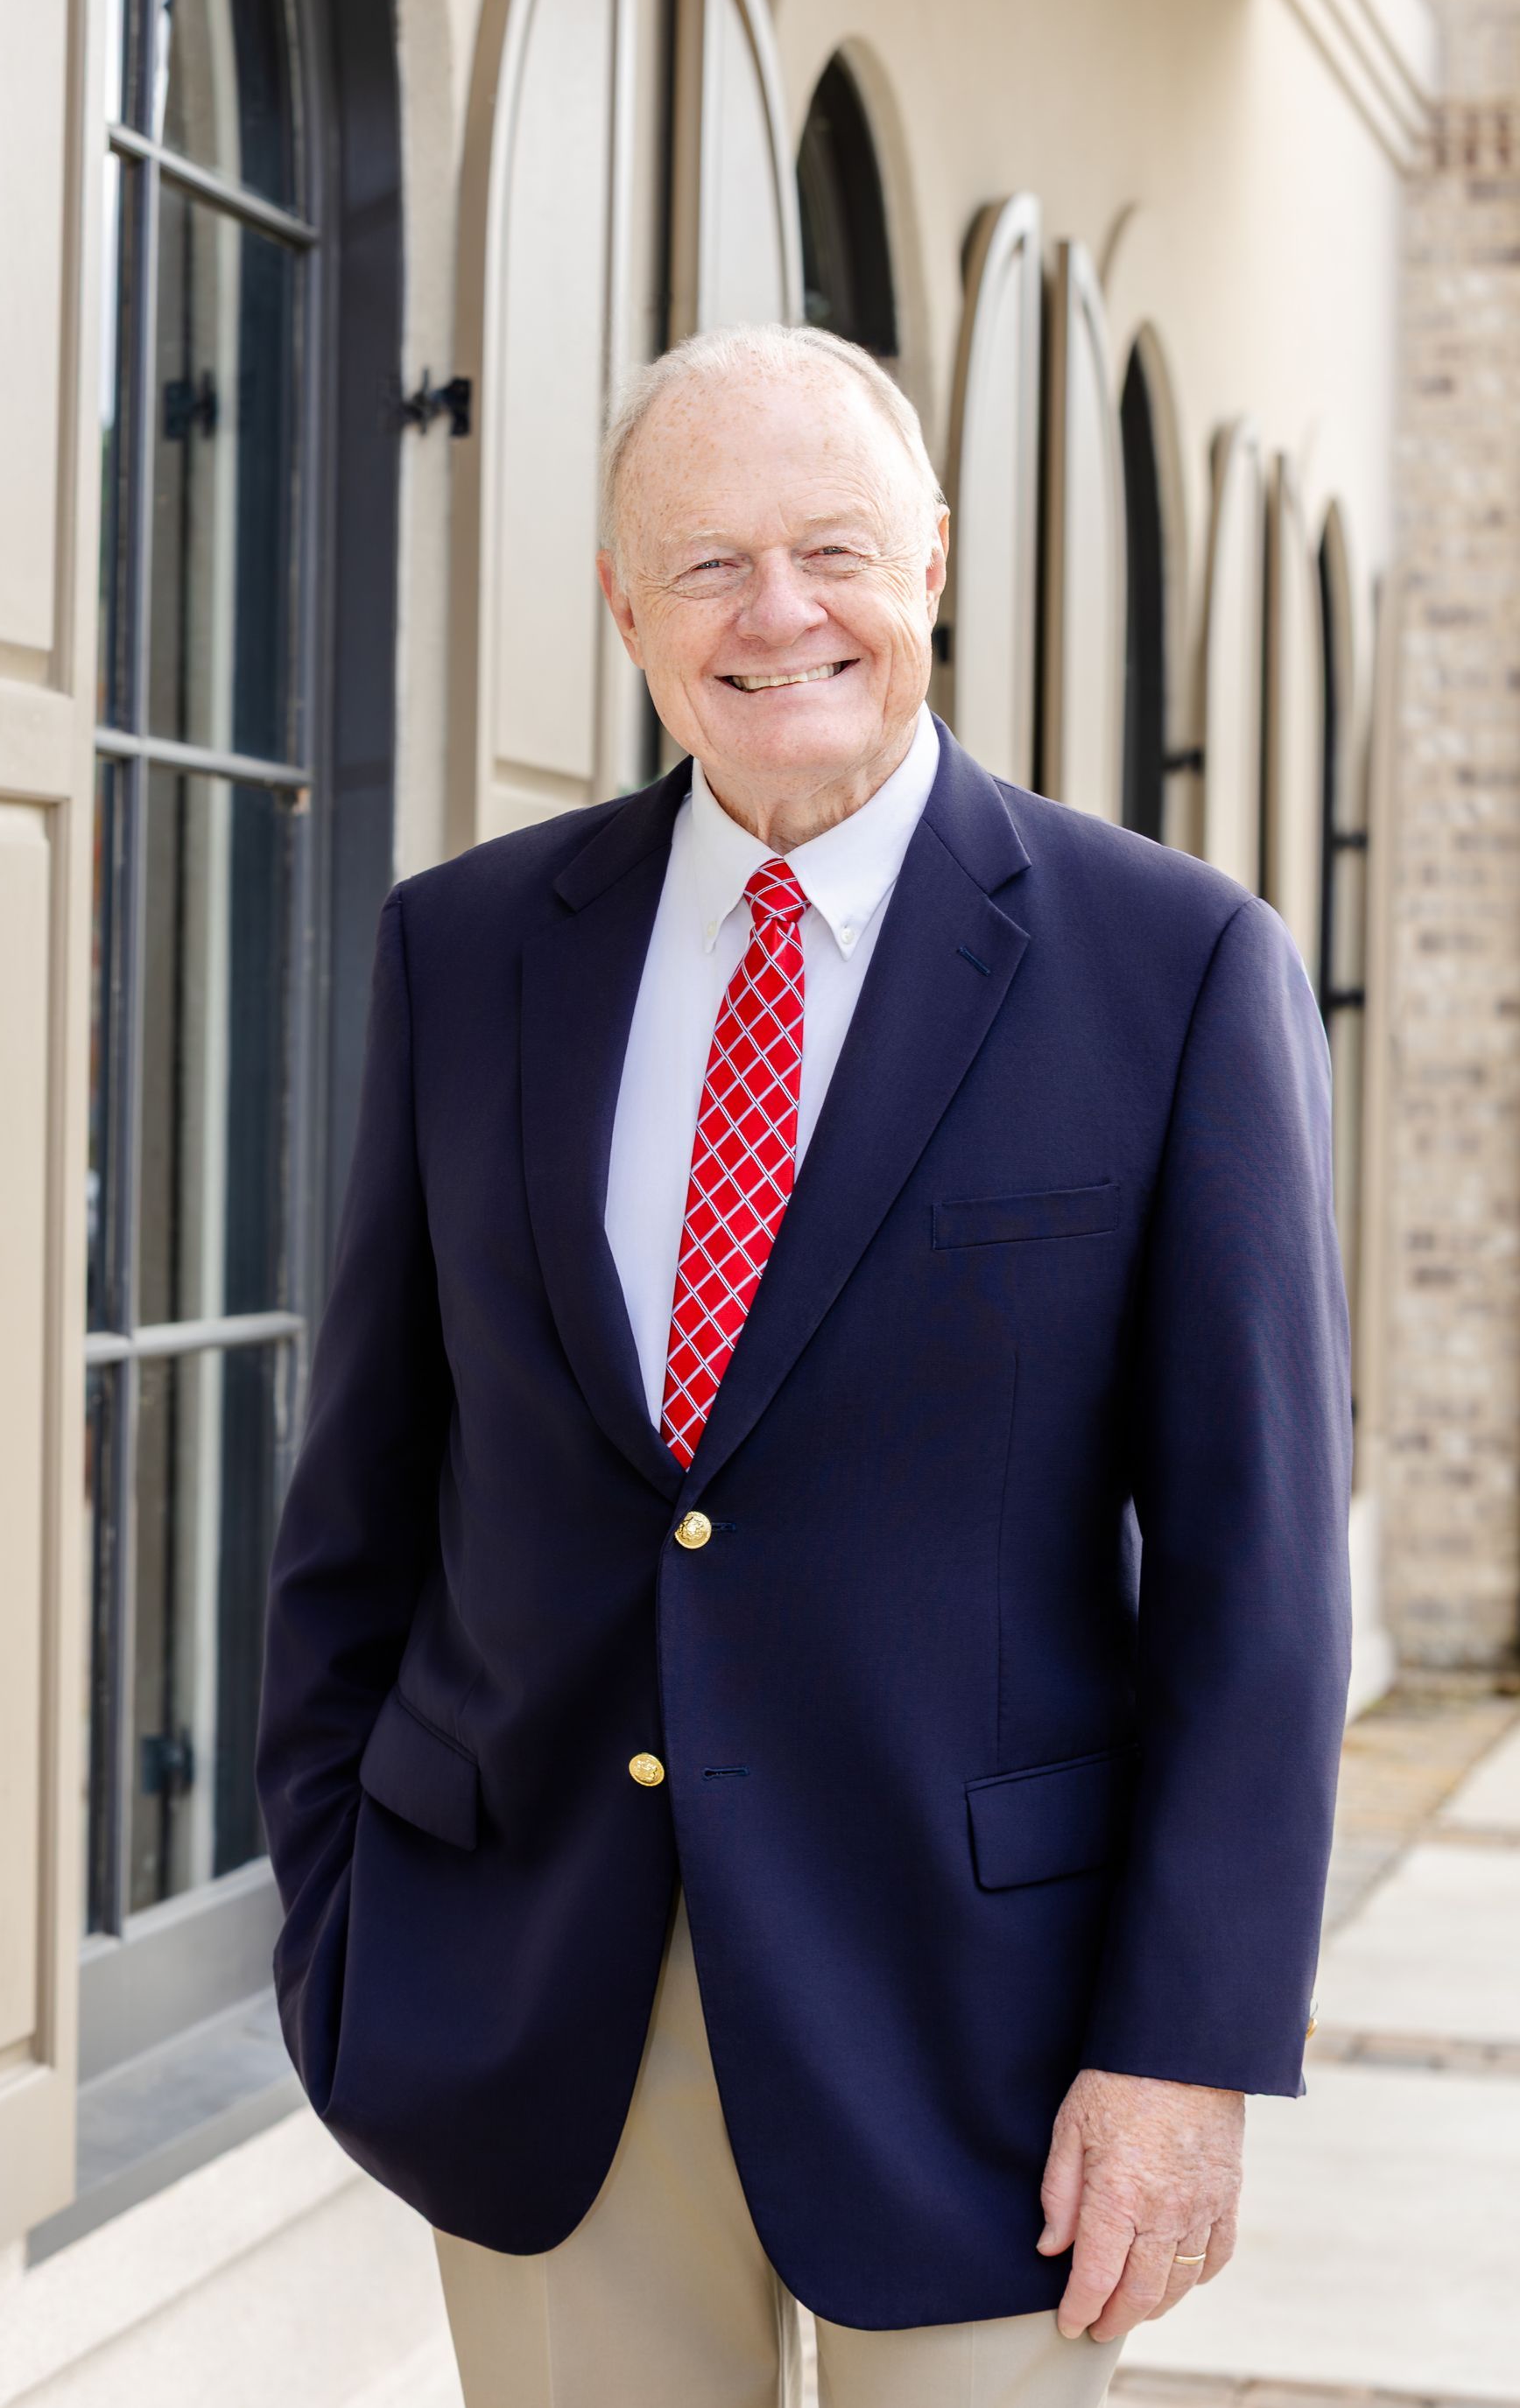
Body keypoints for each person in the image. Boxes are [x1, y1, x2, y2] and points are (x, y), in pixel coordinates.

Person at [256, 322, 1352, 2408]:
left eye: (833, 550)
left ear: (932, 561)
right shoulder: (467, 951)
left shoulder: (1175, 965)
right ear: (623, 604)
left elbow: (1260, 1579)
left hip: (996, 2033)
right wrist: (343, 1931)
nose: (780, 618)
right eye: (706, 566)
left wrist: (1187, 2046)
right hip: (538, 1997)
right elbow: (368, 1497)